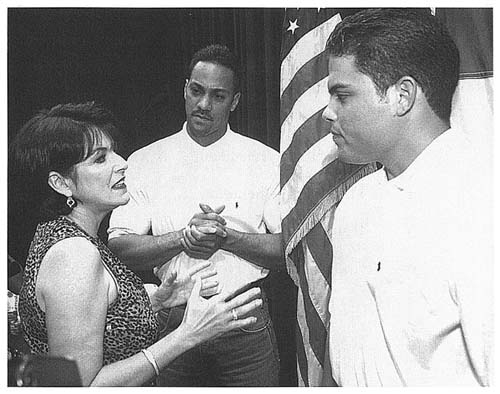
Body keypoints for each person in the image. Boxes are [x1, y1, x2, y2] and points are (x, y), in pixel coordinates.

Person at [11, 102, 263, 386]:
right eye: (100, 159)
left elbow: (100, 324)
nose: (122, 163)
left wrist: (155, 300)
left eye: (113, 151)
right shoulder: (74, 255)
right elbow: (81, 387)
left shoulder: (67, 236)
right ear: (61, 184)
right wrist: (186, 335)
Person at [322, 9, 492, 386]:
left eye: (342, 95)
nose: (327, 112)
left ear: (402, 96)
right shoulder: (356, 202)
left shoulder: (481, 201)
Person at [107, 44, 283, 386]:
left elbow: (286, 250)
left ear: (234, 102)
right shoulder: (146, 160)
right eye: (197, 91)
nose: (204, 104)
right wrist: (182, 239)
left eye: (218, 96)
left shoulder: (265, 161)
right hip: (175, 318)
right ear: (184, 89)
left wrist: (227, 238)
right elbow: (120, 246)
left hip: (243, 318)